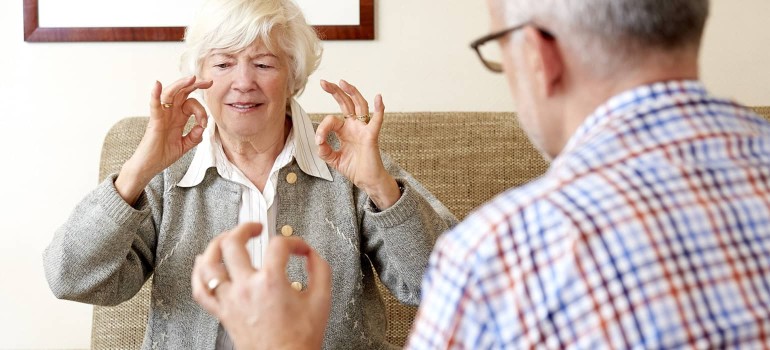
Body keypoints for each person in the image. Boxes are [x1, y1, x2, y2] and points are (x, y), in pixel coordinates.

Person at [193, 0, 770, 348]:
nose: (243, 80)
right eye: (223, 64)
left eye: (499, 49)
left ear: (540, 57)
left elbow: (424, 276)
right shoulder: (171, 170)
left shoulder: (504, 249)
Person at [42, 0, 456, 348]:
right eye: (223, 64)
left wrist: (380, 186)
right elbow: (71, 278)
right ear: (200, 79)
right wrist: (137, 170)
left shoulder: (347, 160)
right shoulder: (165, 176)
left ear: (292, 77)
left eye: (263, 63)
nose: (243, 82)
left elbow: (445, 287)